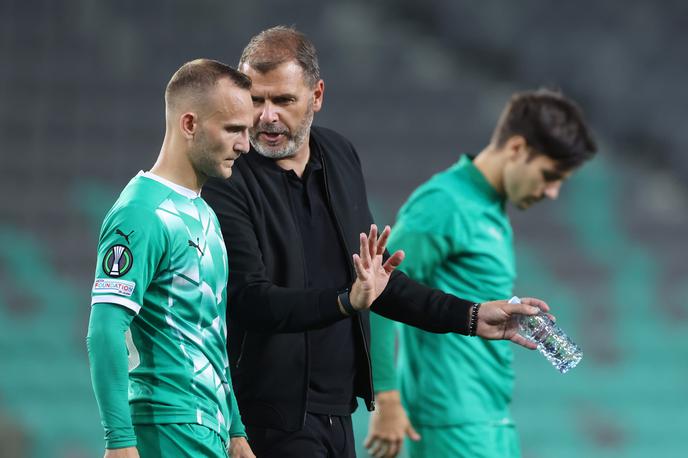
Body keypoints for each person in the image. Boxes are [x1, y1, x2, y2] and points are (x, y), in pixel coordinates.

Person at [202, 26, 549, 458]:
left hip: (338, 413)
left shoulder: (340, 156)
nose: (266, 116)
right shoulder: (227, 174)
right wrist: (347, 301)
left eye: (283, 100)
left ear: (317, 96)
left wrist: (473, 316)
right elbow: (249, 300)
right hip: (265, 421)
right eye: (256, 100)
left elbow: (377, 282)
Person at [365, 89, 597, 458]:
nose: (552, 192)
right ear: (517, 149)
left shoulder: (490, 208)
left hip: (491, 420)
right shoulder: (443, 204)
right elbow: (376, 290)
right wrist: (387, 396)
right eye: (549, 176)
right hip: (452, 424)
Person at [86, 59, 256, 458]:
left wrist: (234, 430)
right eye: (233, 129)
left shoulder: (206, 214)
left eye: (246, 130)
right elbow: (105, 329)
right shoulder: (140, 213)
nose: (245, 144)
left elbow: (211, 330)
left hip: (206, 428)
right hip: (165, 427)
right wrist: (120, 441)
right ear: (189, 124)